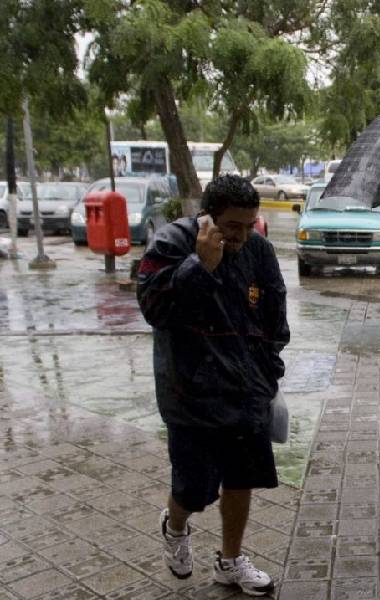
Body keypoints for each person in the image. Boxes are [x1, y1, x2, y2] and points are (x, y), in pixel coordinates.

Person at [137, 174, 289, 595]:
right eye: (231, 227)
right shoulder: (171, 244)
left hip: (245, 390)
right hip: (190, 394)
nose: (241, 236)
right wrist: (198, 265)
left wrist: (267, 373)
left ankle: (230, 561)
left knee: (241, 478)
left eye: (248, 225)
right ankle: (175, 526)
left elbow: (275, 316)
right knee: (194, 488)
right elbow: (153, 308)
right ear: (207, 217)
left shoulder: (258, 249)